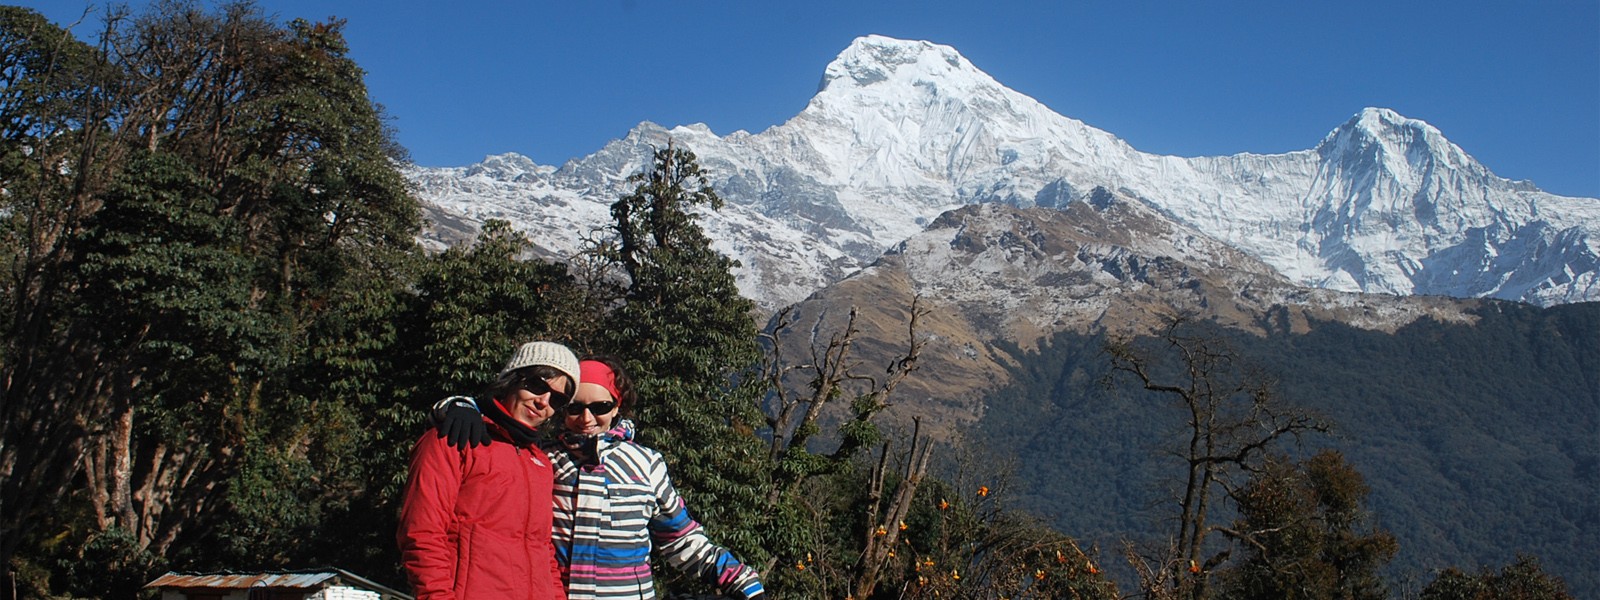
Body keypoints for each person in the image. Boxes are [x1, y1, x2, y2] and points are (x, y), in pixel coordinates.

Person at [434, 356, 766, 600]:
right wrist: (460, 405)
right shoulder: (541, 458)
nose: (587, 418)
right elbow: (494, 428)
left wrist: (740, 580)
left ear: (617, 407)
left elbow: (680, 540)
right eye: (574, 407)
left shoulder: (646, 464)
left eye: (601, 406)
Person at [398, 341, 580, 600]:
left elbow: (542, 549)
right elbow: (422, 533)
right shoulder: (452, 438)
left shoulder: (540, 463)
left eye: (557, 399)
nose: (543, 402)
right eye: (537, 385)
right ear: (512, 379)